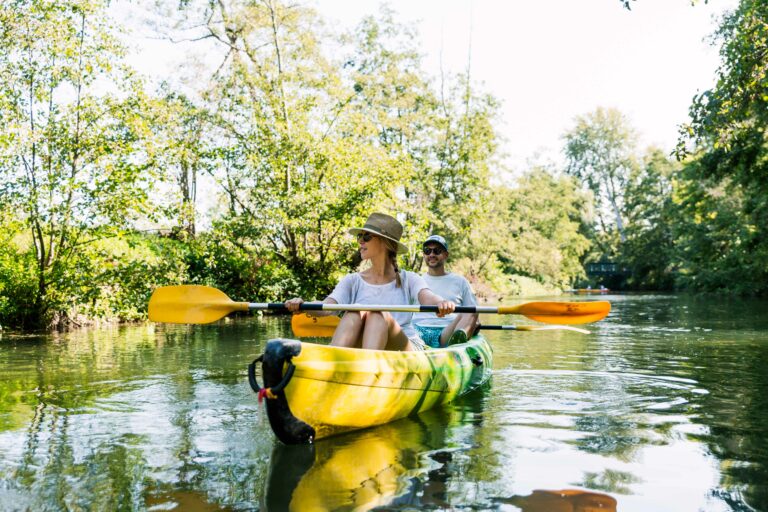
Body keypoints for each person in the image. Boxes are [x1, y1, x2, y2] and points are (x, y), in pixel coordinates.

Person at [285, 213, 455, 351]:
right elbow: (326, 307)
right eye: (360, 236)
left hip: (407, 350)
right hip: (368, 350)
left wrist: (442, 303)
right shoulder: (352, 281)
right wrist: (303, 305)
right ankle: (333, 366)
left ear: (385, 243)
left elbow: (427, 298)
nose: (360, 241)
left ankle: (365, 373)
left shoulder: (409, 279)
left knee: (377, 314)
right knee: (353, 312)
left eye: (366, 237)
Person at [413, 235, 479, 348]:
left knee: (472, 311)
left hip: (447, 332)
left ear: (445, 255)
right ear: (424, 255)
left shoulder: (460, 281)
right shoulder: (415, 280)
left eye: (437, 251)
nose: (432, 254)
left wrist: (473, 325)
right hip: (418, 331)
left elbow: (474, 315)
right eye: (427, 251)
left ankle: (457, 345)